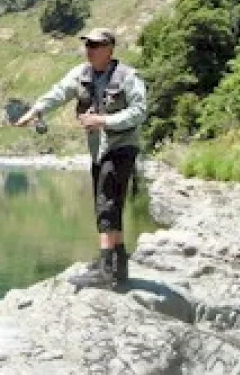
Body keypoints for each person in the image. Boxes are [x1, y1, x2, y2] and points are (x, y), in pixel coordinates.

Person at [13, 27, 147, 286]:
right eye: (87, 45)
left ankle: (105, 270)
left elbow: (140, 111)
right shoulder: (80, 74)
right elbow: (59, 92)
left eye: (95, 46)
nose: (90, 50)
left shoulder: (129, 77)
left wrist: (104, 120)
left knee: (107, 202)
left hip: (122, 146)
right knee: (111, 202)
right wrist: (36, 111)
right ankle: (119, 267)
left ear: (110, 49)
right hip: (98, 150)